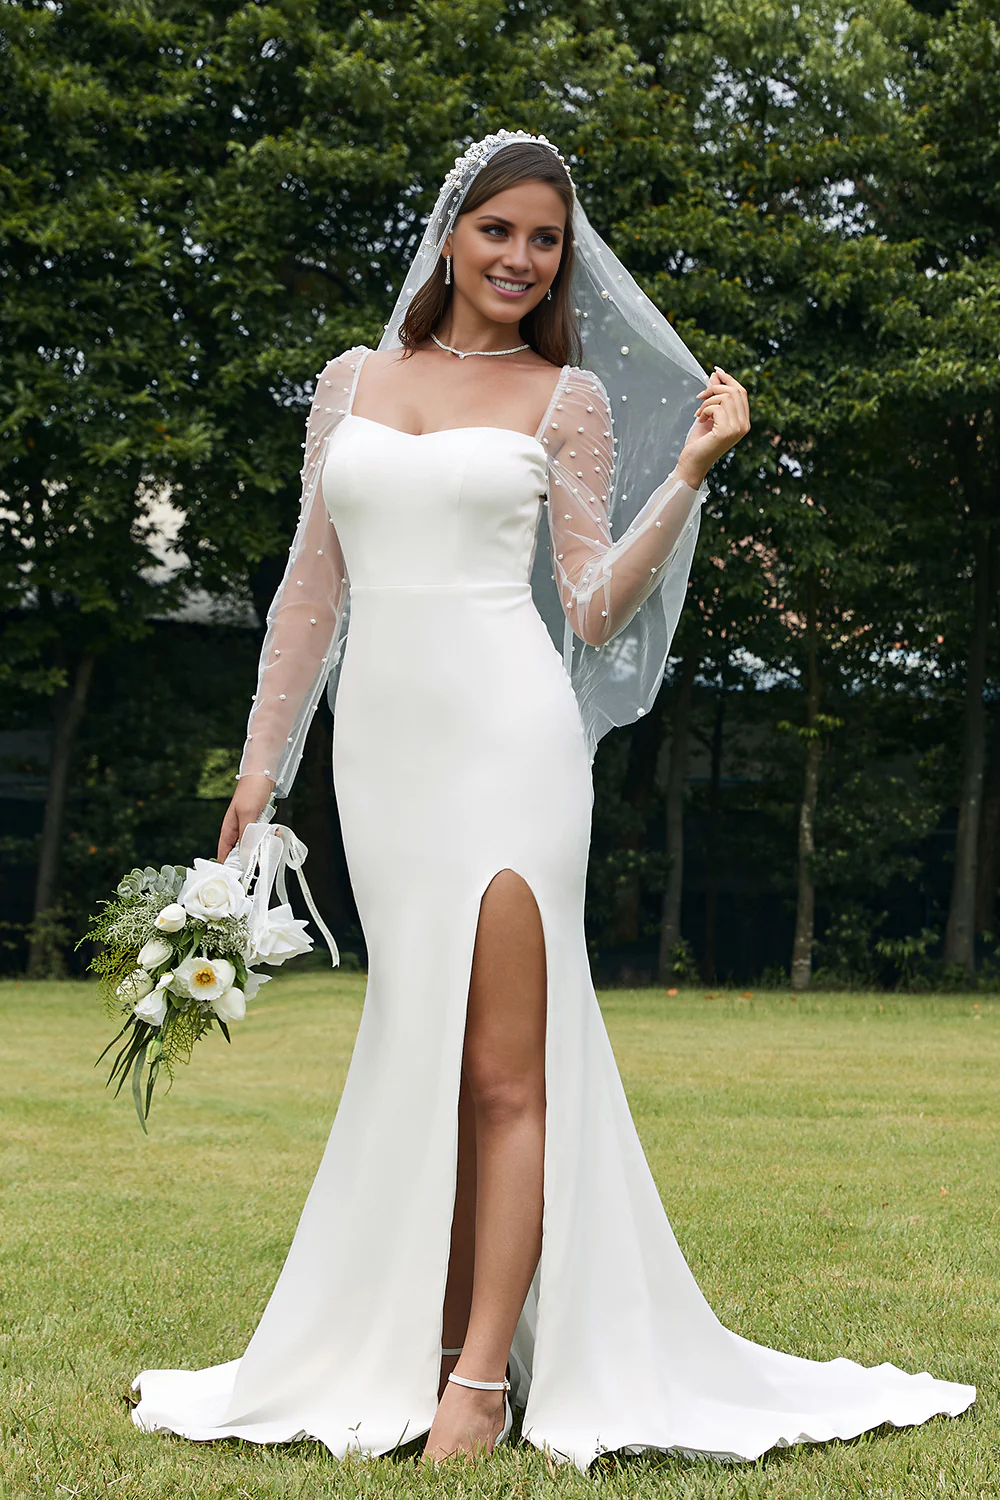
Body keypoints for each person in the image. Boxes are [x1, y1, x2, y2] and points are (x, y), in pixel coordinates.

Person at [130, 131, 974, 1470]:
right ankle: (433, 1340)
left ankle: (479, 1381)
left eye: (545, 241)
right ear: (451, 232)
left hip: (511, 746)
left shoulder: (563, 399)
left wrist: (688, 477)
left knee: (503, 1070)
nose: (520, 258)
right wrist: (259, 770)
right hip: (383, 762)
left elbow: (590, 608)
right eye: (500, 230)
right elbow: (309, 592)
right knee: (422, 1050)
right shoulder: (352, 382)